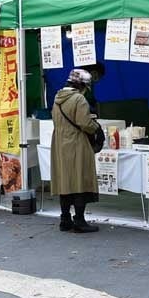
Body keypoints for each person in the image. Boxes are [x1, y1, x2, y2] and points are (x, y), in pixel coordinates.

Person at [50, 68, 101, 233]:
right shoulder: (79, 99)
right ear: (82, 86)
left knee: (65, 181)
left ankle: (65, 219)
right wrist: (97, 128)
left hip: (59, 144)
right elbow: (85, 123)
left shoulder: (57, 98)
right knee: (80, 179)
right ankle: (79, 220)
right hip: (77, 143)